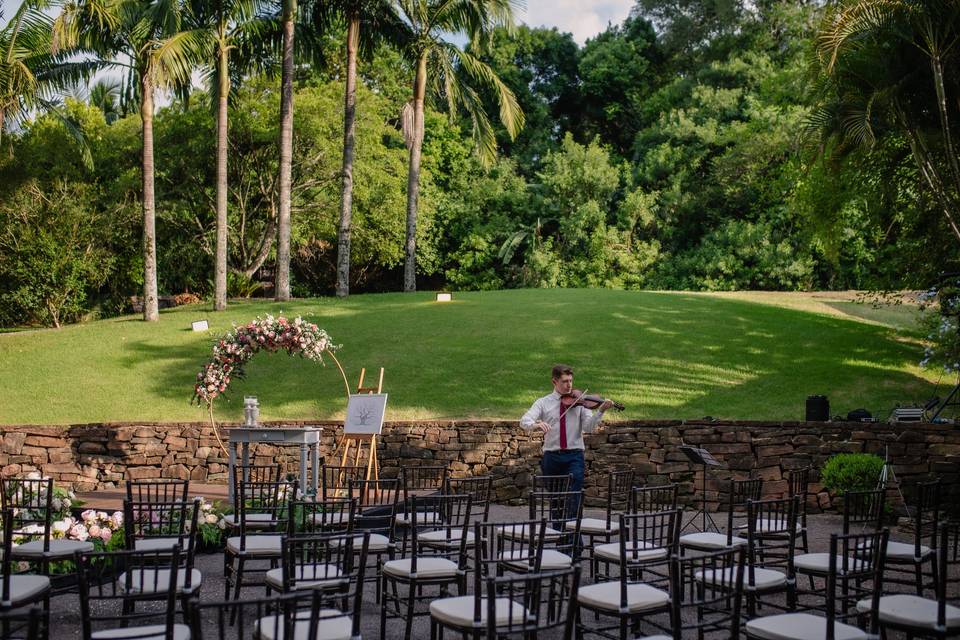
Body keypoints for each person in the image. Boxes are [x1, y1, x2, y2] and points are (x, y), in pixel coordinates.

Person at [520, 364, 614, 498]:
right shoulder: (543, 402)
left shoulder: (580, 401)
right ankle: (558, 520)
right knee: (555, 499)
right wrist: (536, 425)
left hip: (574, 455)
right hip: (551, 456)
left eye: (570, 381)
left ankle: (572, 519)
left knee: (573, 494)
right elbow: (524, 421)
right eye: (564, 381)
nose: (569, 385)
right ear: (554, 382)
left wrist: (601, 411)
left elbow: (588, 427)